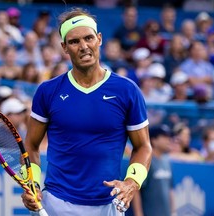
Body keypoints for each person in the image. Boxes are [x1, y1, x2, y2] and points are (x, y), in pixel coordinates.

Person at [21, 7, 152, 216]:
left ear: (99, 39)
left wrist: (132, 182)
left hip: (108, 206)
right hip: (56, 203)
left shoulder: (127, 91)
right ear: (64, 47)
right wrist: (33, 183)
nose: (83, 47)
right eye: (74, 42)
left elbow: (143, 146)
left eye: (88, 38)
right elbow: (31, 145)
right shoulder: (47, 91)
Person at [132, 124, 174, 216]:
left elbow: (170, 189)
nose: (169, 140)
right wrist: (138, 214)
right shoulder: (144, 161)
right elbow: (135, 190)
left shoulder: (167, 161)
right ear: (154, 140)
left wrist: (173, 212)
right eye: (164, 137)